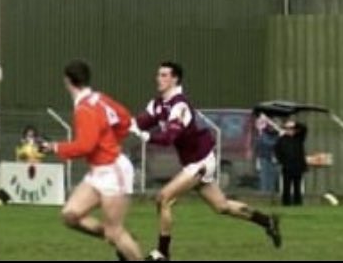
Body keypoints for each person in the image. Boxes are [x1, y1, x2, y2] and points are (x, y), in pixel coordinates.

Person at [132, 61, 281, 261]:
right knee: (222, 206)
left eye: (164, 75)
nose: (159, 78)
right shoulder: (158, 104)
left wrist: (147, 137)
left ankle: (162, 253)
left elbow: (170, 138)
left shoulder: (180, 105)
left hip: (200, 161)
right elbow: (140, 122)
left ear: (175, 79)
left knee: (163, 198)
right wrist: (119, 124)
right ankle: (267, 221)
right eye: (158, 74)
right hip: (193, 162)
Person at [37, 60, 144, 261]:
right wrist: (111, 139)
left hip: (113, 171)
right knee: (70, 215)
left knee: (115, 232)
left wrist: (54, 147)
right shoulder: (99, 98)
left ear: (67, 81)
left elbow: (85, 146)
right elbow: (125, 120)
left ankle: (120, 238)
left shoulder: (84, 109)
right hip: (99, 171)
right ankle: (121, 237)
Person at [274, 119, 307, 206]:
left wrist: (295, 123)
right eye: (288, 129)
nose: (290, 130)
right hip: (287, 167)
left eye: (292, 129)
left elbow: (304, 128)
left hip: (298, 166)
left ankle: (298, 203)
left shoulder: (299, 138)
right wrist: (282, 162)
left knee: (297, 187)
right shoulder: (281, 140)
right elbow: (277, 152)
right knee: (286, 187)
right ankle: (286, 203)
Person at [254, 115, 279, 195]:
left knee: (272, 177)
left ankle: (271, 195)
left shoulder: (276, 135)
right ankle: (264, 195)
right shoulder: (264, 133)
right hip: (264, 157)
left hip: (274, 158)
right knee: (264, 177)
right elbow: (267, 143)